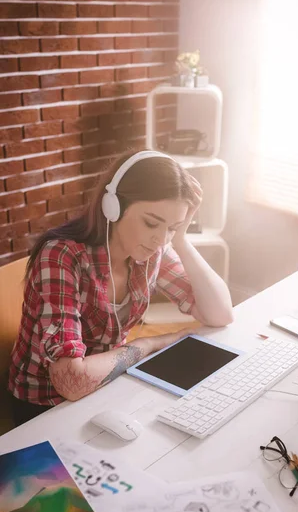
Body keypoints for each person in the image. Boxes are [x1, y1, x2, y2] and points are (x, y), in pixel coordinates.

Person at [8, 150, 233, 426]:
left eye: (171, 227)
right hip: (45, 406)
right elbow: (71, 382)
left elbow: (220, 314)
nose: (160, 240)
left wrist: (182, 239)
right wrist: (149, 344)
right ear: (112, 206)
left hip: (106, 385)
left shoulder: (152, 250)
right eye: (151, 222)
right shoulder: (61, 257)